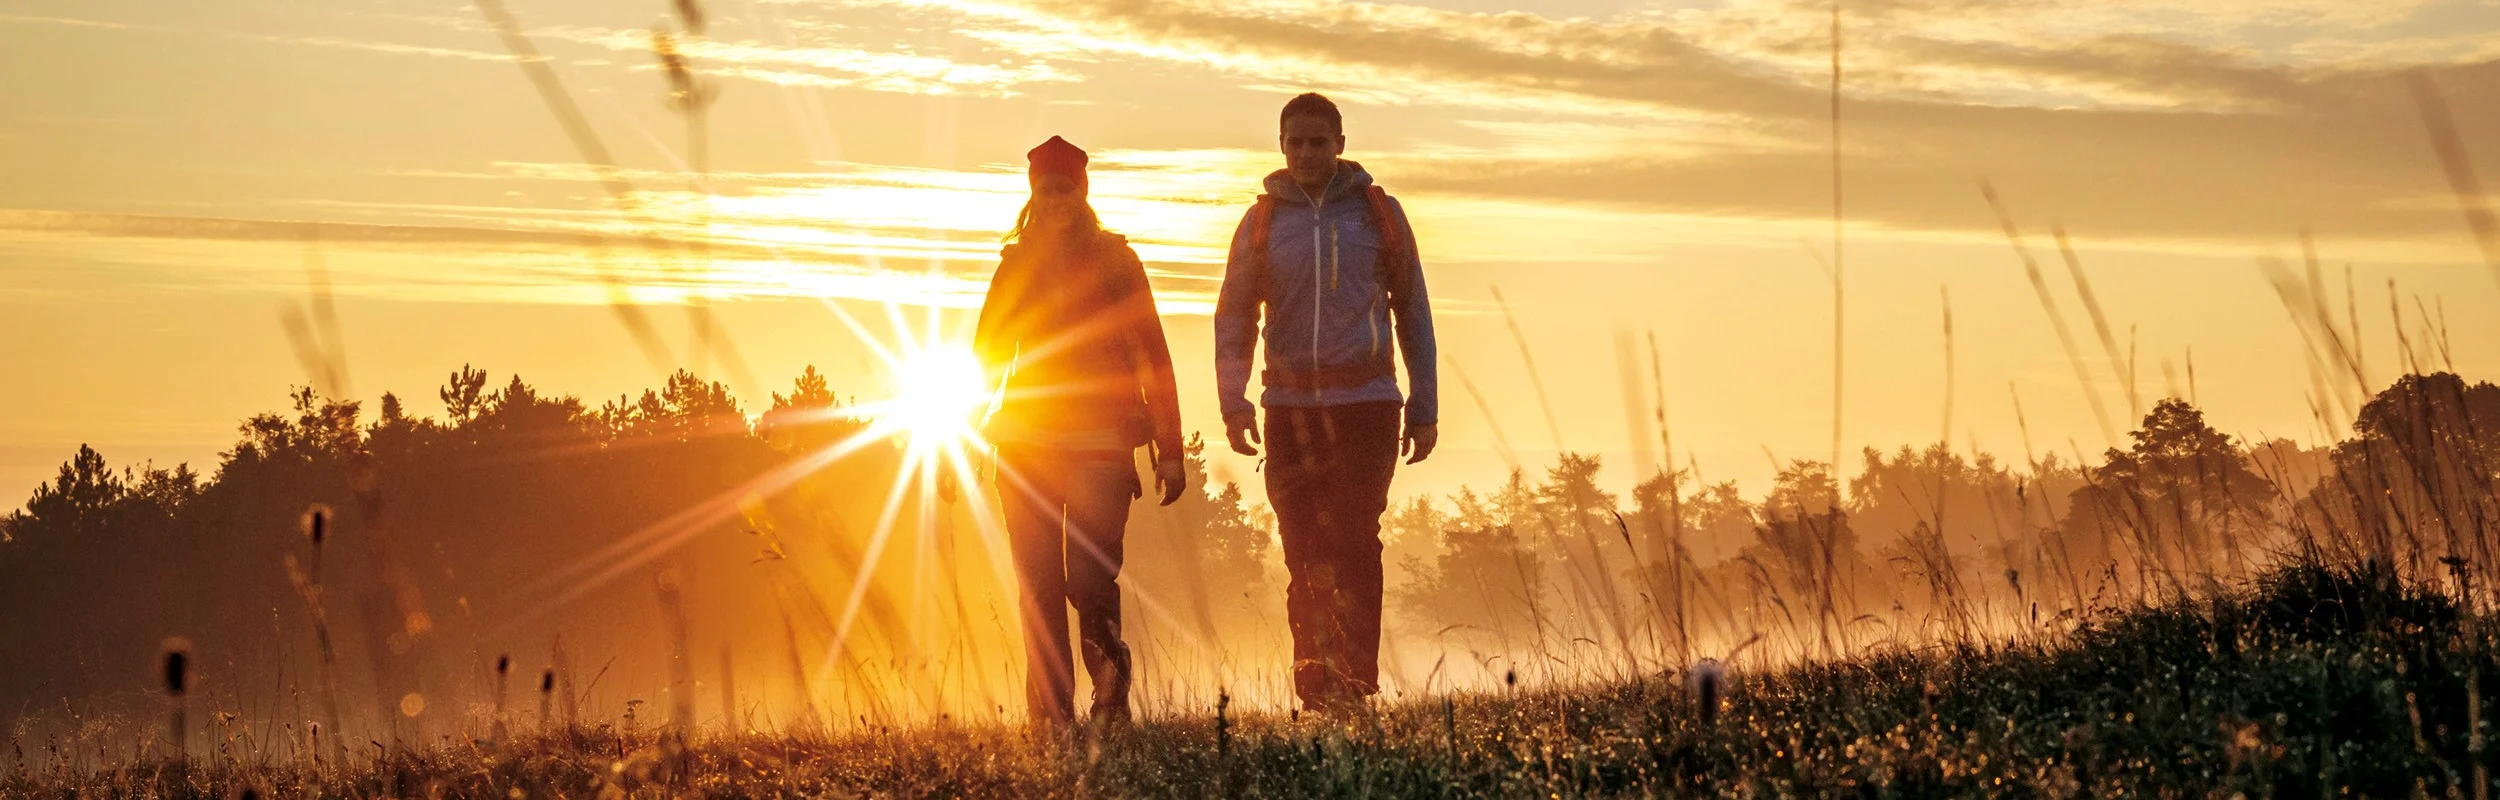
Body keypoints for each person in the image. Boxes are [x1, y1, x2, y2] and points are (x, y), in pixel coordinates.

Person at [1213, 93, 1438, 714]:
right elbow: (1234, 316)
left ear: (1340, 144)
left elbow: (1413, 310)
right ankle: (1316, 692)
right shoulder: (1260, 223)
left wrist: (1425, 404)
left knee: (1356, 543)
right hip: (1288, 411)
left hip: (1367, 406)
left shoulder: (1379, 215)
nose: (1307, 153)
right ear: (1281, 145)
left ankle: (1355, 688)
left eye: (1318, 142)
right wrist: (1233, 402)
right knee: (1303, 551)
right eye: (1296, 142)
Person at [974, 135, 1187, 728]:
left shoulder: (1118, 262)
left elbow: (1154, 355)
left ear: (1083, 192)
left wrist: (1170, 449)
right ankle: (1050, 717)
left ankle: (1110, 702)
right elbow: (987, 356)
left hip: (1103, 444)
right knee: (1038, 588)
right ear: (1032, 194)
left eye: (1066, 189)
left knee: (1091, 582)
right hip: (1024, 447)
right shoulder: (1015, 266)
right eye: (1047, 190)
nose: (1057, 200)